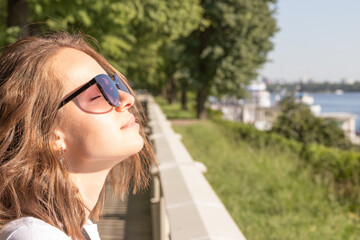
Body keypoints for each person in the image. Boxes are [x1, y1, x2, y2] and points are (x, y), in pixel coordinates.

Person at [0, 32, 154, 239]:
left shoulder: (70, 227)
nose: (127, 99)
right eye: (100, 93)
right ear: (50, 137)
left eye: (114, 85)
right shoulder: (35, 236)